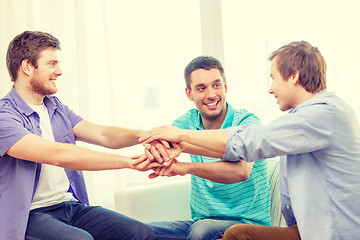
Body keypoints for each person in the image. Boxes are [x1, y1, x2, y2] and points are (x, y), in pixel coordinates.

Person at [139, 41, 360, 240]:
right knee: (141, 232)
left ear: (293, 76)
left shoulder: (324, 113)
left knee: (223, 232)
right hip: (305, 230)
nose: (270, 89)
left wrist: (181, 141)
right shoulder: (303, 117)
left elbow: (250, 143)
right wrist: (170, 146)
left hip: (334, 232)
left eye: (273, 78)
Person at [0, 31, 158, 240]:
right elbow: (59, 154)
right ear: (27, 67)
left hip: (69, 206)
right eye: (52, 64)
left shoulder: (56, 108)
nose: (59, 71)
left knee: (140, 232)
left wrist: (146, 135)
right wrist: (130, 162)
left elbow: (103, 134)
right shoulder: (4, 117)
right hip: (30, 215)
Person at [142, 56, 271, 240]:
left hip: (247, 226)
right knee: (140, 231)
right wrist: (156, 147)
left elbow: (241, 171)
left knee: (201, 230)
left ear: (225, 87)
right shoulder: (187, 121)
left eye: (216, 85)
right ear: (189, 94)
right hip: (200, 223)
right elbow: (165, 142)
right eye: (201, 88)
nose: (211, 95)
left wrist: (183, 168)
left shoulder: (247, 122)